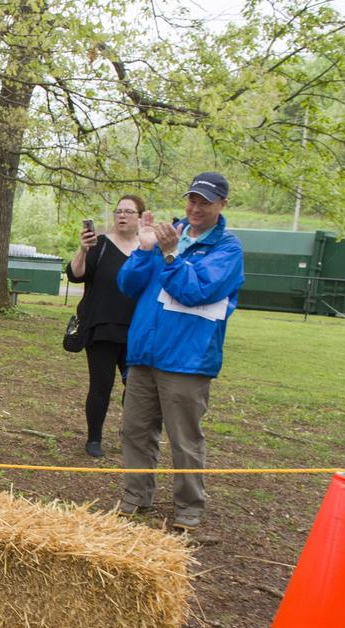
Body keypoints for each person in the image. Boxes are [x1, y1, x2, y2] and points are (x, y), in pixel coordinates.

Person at [116, 172, 244, 533]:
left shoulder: (227, 250)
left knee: (184, 438)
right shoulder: (164, 235)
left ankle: (189, 507)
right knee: (135, 430)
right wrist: (143, 250)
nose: (196, 208)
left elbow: (197, 291)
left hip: (187, 360)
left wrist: (170, 255)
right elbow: (128, 285)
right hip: (145, 353)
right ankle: (135, 496)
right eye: (192, 199)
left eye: (205, 202)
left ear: (222, 205)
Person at [65, 195, 145, 458]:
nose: (122, 216)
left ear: (140, 217)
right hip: (101, 327)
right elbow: (75, 275)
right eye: (118, 211)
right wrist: (83, 249)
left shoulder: (146, 248)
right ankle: (94, 439)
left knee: (135, 387)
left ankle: (131, 437)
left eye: (128, 212)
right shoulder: (100, 245)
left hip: (136, 331)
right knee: (101, 385)